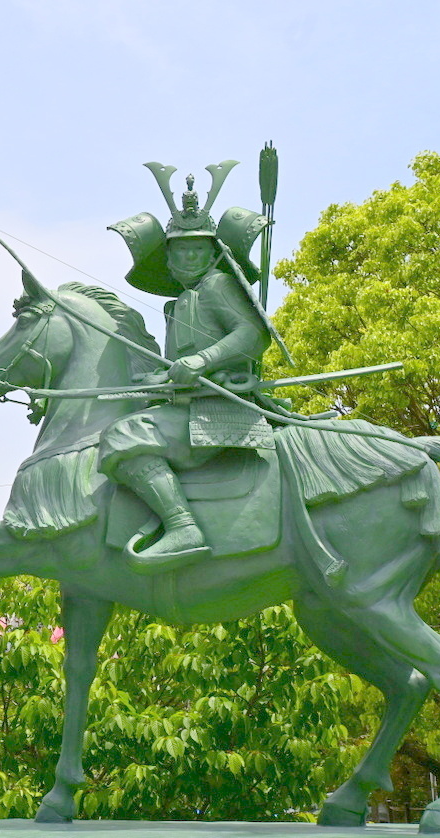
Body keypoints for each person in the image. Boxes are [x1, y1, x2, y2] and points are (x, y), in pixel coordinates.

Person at [101, 163, 281, 573]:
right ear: (167, 256)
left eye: (198, 249)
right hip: (188, 401)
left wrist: (202, 360)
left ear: (214, 252)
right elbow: (178, 366)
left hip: (218, 406)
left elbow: (253, 334)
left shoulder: (217, 284)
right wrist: (159, 378)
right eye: (180, 250)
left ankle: (183, 527)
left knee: (124, 434)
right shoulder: (179, 303)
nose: (189, 257)